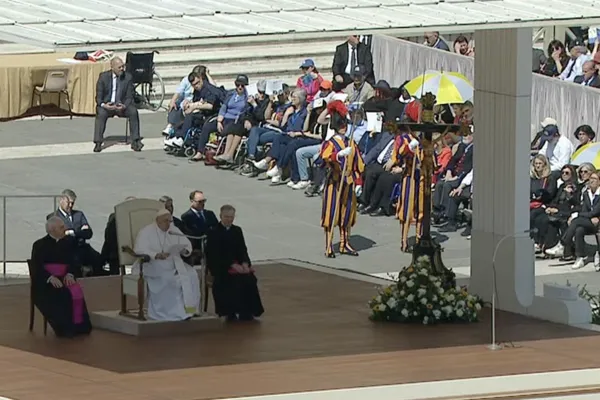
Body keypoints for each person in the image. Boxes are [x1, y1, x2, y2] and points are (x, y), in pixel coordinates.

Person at [132, 209, 201, 321]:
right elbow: (139, 250)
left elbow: (187, 244)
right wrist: (156, 255)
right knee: (169, 280)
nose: (168, 224)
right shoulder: (146, 232)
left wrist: (184, 250)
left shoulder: (173, 230)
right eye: (165, 221)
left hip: (174, 263)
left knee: (192, 275)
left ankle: (190, 311)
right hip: (152, 264)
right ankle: (168, 314)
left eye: (170, 221)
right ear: (158, 221)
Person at [30, 216, 92, 338]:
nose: (65, 229)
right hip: (46, 283)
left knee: (75, 292)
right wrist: (49, 277)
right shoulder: (39, 245)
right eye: (62, 227)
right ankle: (64, 329)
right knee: (60, 294)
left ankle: (80, 327)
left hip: (65, 277)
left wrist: (70, 274)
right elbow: (36, 267)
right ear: (52, 229)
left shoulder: (69, 243)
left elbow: (74, 262)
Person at [318, 100, 365, 258]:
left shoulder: (351, 142)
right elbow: (324, 158)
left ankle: (345, 243)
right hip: (335, 182)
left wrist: (358, 182)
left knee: (346, 214)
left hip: (348, 183)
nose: (344, 127)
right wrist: (338, 155)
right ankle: (329, 245)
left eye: (344, 124)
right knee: (331, 214)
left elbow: (359, 164)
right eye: (341, 124)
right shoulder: (330, 143)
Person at [205, 205, 264, 321]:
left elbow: (242, 249)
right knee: (232, 281)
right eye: (226, 217)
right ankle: (230, 311)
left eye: (231, 217)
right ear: (221, 216)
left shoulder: (237, 230)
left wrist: (245, 263)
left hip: (238, 264)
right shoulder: (213, 232)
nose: (229, 220)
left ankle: (247, 311)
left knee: (249, 279)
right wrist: (232, 265)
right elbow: (214, 253)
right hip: (221, 266)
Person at [47, 189, 107, 276]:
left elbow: (88, 233)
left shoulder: (79, 215)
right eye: (68, 203)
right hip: (66, 251)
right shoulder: (53, 217)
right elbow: (58, 235)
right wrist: (80, 231)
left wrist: (72, 232)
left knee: (100, 261)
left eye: (73, 203)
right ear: (61, 200)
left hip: (82, 248)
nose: (70, 205)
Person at [93, 56, 143, 153]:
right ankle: (98, 142)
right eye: (119, 67)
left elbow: (129, 96)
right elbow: (98, 97)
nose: (122, 69)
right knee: (101, 113)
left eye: (123, 67)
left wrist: (124, 105)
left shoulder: (128, 77)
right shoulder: (103, 77)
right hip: (108, 106)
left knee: (133, 112)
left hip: (122, 106)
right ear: (112, 67)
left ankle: (135, 141)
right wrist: (104, 105)